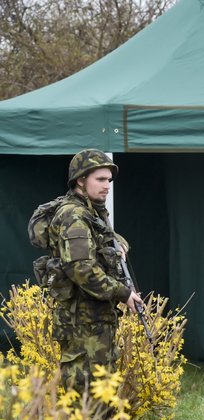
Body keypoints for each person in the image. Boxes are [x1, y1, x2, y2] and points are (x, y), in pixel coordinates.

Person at [47, 149, 143, 397]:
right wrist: (123, 293)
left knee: (102, 390)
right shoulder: (74, 215)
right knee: (85, 394)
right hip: (82, 323)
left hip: (96, 319)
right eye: (100, 179)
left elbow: (99, 242)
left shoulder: (92, 212)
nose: (107, 186)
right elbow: (81, 269)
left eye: (109, 180)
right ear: (80, 180)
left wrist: (117, 242)